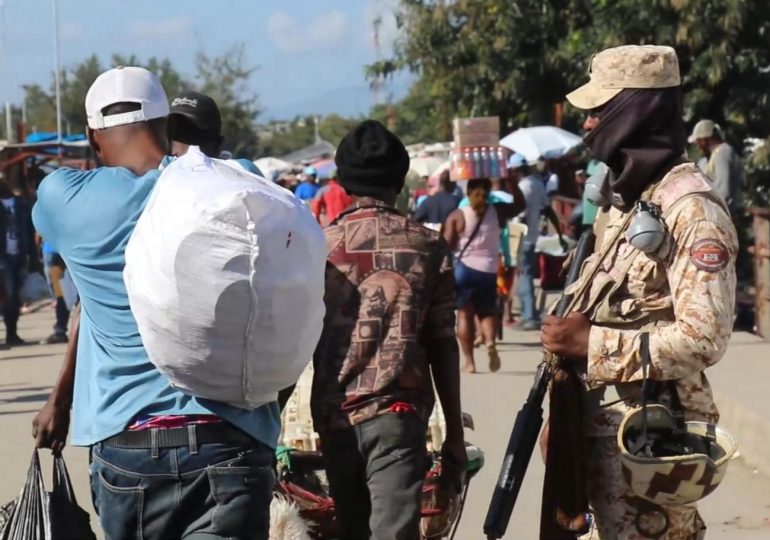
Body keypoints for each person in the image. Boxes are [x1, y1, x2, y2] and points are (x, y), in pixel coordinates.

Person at [32, 66, 278, 540]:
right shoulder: (231, 181)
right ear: (166, 125)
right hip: (229, 438)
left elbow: (80, 303)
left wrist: (60, 399)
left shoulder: (66, 200)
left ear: (92, 137)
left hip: (127, 447)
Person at [542, 45, 737, 539]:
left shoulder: (691, 209)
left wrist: (593, 346)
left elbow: (704, 337)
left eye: (598, 112)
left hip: (654, 445)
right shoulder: (629, 201)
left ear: (637, 112)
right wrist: (569, 418)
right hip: (602, 431)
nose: (588, 126)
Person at [311, 120, 466, 540]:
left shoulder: (317, 247)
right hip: (397, 417)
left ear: (341, 182)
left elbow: (292, 336)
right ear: (400, 182)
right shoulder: (428, 247)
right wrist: (453, 432)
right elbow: (442, 344)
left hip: (333, 415)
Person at [444, 178, 522, 373]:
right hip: (488, 271)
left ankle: (469, 362)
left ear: (468, 192)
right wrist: (510, 179)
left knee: (464, 315)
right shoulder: (498, 212)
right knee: (486, 312)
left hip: (464, 271)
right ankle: (489, 342)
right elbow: (521, 204)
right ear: (489, 193)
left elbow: (445, 246)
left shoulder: (458, 215)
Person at [509, 153, 564, 331]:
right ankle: (529, 312)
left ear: (516, 170)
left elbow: (521, 215)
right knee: (527, 275)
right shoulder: (538, 183)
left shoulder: (522, 187)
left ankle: (529, 316)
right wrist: (560, 233)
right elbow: (547, 209)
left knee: (524, 276)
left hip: (522, 237)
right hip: (533, 237)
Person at [168, 90, 263, 175]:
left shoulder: (243, 173)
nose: (177, 150)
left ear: (217, 145)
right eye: (170, 135)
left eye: (192, 138)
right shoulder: (157, 179)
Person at [0, 176, 34, 346]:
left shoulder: (20, 205)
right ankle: (10, 333)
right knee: (10, 295)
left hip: (18, 255)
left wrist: (32, 258)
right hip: (2, 258)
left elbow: (29, 230)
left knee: (14, 297)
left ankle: (12, 333)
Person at [689, 119, 743, 213]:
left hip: (722, 214)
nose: (696, 145)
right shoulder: (707, 159)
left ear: (705, 140)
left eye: (697, 141)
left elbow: (723, 193)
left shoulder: (723, 153)